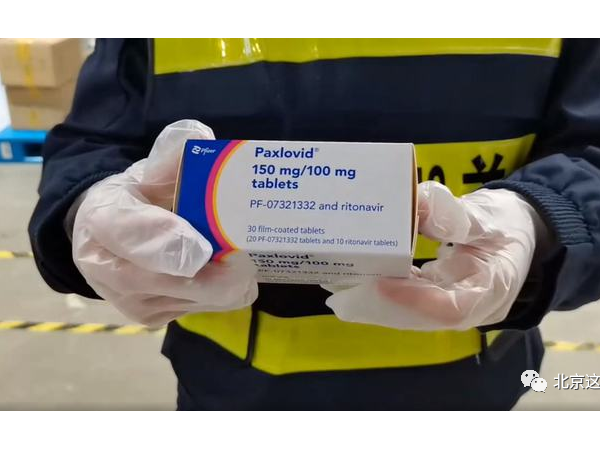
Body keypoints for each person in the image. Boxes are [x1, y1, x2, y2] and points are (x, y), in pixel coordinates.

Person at [29, 39, 600, 410]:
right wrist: (91, 210)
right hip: (229, 388)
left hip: (470, 387)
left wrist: (540, 221)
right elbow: (95, 140)